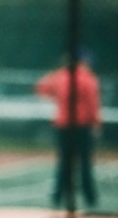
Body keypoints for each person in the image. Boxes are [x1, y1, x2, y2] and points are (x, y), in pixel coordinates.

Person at [35, 50, 103, 209]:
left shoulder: (60, 76)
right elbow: (93, 104)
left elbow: (41, 87)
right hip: (83, 126)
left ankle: (59, 197)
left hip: (64, 125)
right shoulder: (88, 78)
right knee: (85, 163)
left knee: (64, 163)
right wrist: (96, 123)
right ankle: (90, 197)